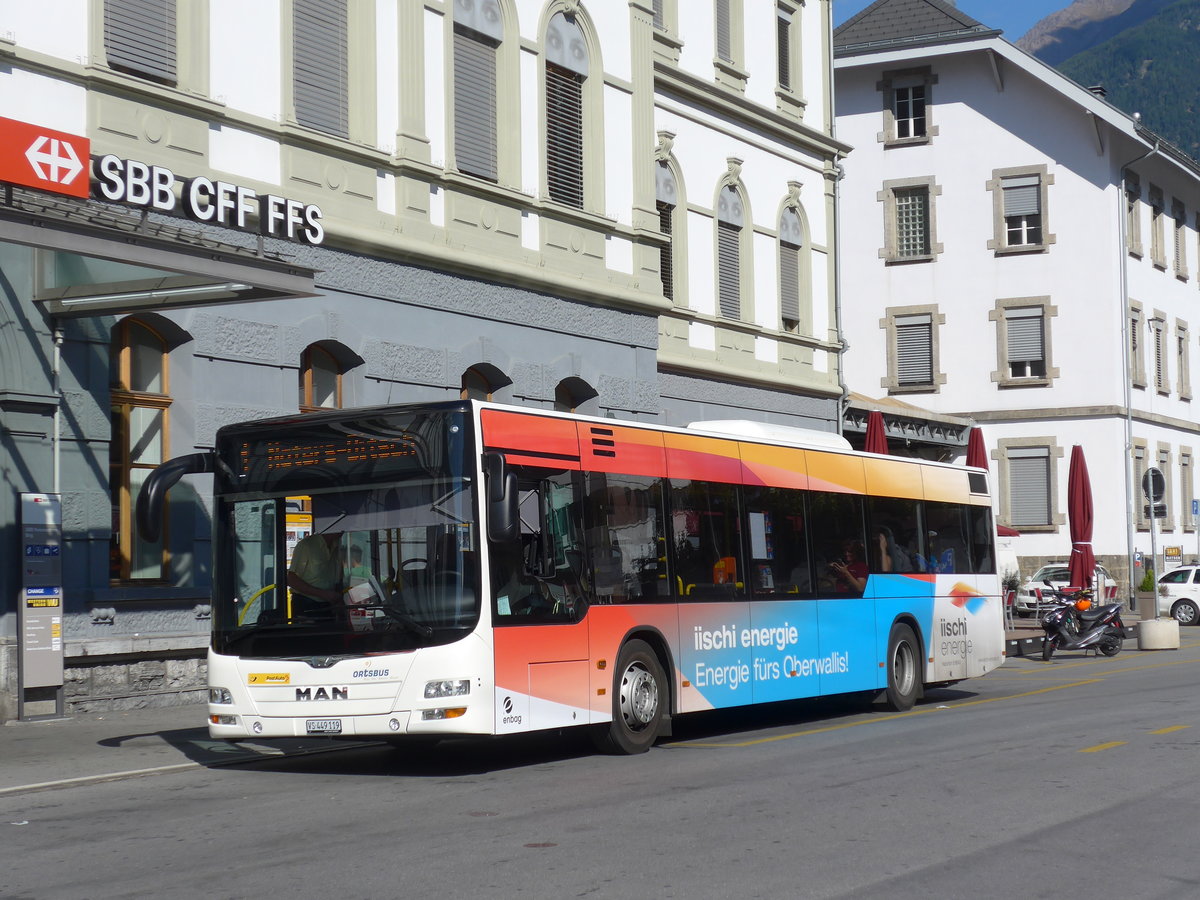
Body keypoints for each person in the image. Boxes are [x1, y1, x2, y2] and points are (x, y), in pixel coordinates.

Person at [287, 531, 343, 616]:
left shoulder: (336, 544)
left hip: (329, 604)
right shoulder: (306, 545)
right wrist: (323, 594)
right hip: (306, 604)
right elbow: (292, 579)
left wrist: (338, 599)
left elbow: (336, 577)